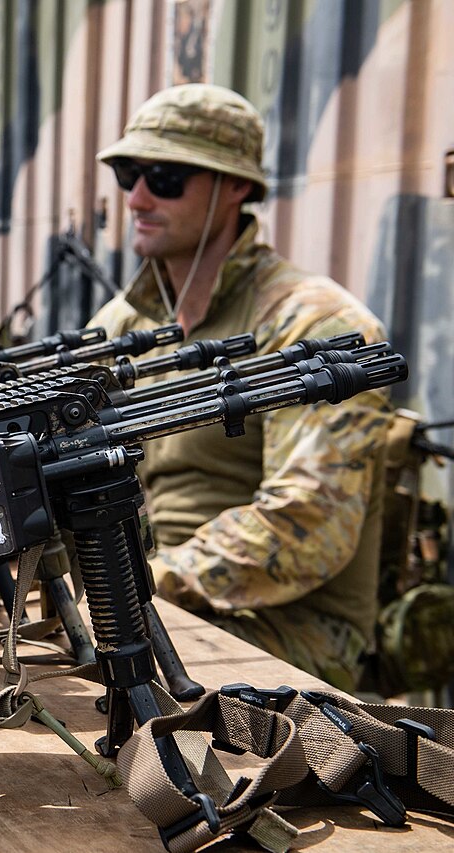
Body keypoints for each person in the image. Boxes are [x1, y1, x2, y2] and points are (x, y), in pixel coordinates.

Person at [88, 84, 393, 690]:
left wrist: (139, 582)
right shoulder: (126, 325)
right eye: (128, 174)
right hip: (153, 595)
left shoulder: (314, 325)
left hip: (284, 628)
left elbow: (307, 525)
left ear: (235, 187)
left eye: (166, 177)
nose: (137, 198)